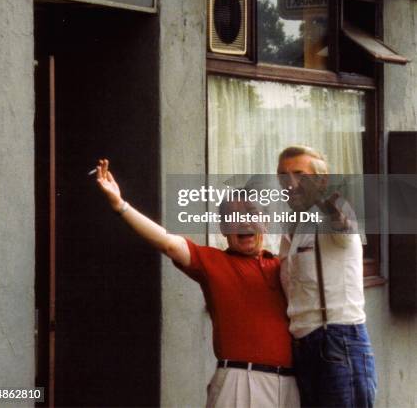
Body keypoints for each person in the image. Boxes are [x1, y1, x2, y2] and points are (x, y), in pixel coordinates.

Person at [95, 158, 299, 408]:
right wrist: (120, 205)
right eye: (234, 216)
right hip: (240, 381)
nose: (244, 221)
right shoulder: (213, 261)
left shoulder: (283, 266)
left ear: (266, 224)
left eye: (252, 214)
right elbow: (169, 242)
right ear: (223, 228)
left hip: (289, 384)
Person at [277, 145, 377, 408]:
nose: (290, 182)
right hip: (304, 345)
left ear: (321, 180)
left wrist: (336, 215)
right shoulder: (293, 225)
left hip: (337, 339)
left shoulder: (333, 211)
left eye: (299, 174)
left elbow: (343, 227)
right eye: (283, 175)